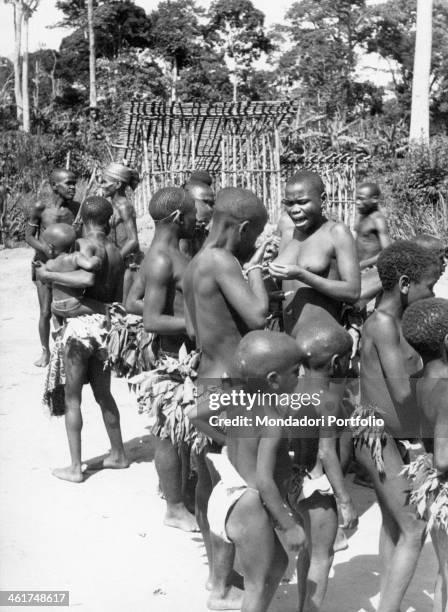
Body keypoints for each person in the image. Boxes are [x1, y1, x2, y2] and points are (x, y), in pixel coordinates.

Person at [184, 186, 269, 610]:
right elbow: (257, 315)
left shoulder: (197, 261)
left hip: (206, 377)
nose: (254, 243)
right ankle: (223, 585)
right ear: (246, 228)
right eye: (255, 236)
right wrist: (255, 269)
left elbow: (195, 329)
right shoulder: (223, 261)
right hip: (229, 387)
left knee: (210, 482)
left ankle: (216, 580)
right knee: (233, 488)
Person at [353, 240, 441, 612]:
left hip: (390, 437)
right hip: (378, 437)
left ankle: (387, 600)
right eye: (430, 285)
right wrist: (437, 368)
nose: (433, 291)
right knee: (413, 527)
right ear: (406, 283)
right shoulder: (385, 325)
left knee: (393, 524)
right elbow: (403, 395)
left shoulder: (395, 321)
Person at [204, 331, 306, 612]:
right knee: (256, 586)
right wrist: (289, 525)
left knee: (278, 565)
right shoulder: (272, 422)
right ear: (274, 380)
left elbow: (193, 415)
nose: (301, 378)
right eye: (296, 372)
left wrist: (226, 441)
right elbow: (263, 481)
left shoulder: (238, 398)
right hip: (248, 506)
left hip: (227, 495)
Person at [36, 196, 128, 483]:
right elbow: (117, 295)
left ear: (82, 220)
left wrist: (48, 274)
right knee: (104, 395)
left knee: (73, 399)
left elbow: (85, 281)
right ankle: (118, 454)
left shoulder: (83, 245)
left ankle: (76, 469)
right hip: (105, 328)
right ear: (110, 219)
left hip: (79, 328)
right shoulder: (116, 250)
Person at [128, 187, 199, 532]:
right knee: (169, 434)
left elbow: (133, 302)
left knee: (179, 433)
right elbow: (151, 319)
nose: (195, 218)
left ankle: (179, 495)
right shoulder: (162, 258)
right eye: (190, 214)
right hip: (172, 357)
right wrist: (196, 324)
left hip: (180, 353)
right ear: (176, 218)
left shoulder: (167, 253)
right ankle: (173, 508)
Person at [291, 322, 358, 612]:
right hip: (317, 489)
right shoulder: (328, 399)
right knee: (322, 556)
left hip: (292, 484)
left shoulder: (289, 390)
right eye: (348, 358)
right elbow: (327, 453)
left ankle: (301, 607)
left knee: (307, 548)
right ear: (336, 362)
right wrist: (345, 500)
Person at [269, 170, 360, 335]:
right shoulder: (289, 233)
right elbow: (283, 288)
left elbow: (353, 291)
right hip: (289, 342)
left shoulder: (336, 232)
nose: (294, 209)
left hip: (323, 345)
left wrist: (302, 275)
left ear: (323, 199)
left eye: (302, 202)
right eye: (289, 203)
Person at [402, 298, 448, 612]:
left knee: (445, 570)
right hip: (445, 485)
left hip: (433, 488)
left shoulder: (417, 378)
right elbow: (444, 458)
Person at [25, 169, 79, 367]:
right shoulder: (41, 208)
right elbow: (29, 236)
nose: (73, 187)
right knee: (46, 312)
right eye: (68, 183)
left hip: (66, 267)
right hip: (44, 266)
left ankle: (66, 351)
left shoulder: (76, 209)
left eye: (74, 183)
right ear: (55, 186)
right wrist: (44, 249)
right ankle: (45, 352)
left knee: (65, 309)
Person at [39, 223, 105, 319]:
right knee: (104, 309)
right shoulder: (75, 257)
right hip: (74, 305)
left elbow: (47, 282)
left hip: (56, 307)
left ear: (51, 248)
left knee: (56, 318)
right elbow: (89, 264)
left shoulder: (49, 263)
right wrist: (96, 259)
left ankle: (59, 331)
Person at [100, 162, 142, 303]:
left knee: (123, 307)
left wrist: (114, 260)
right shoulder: (111, 204)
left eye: (105, 182)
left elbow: (132, 240)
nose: (102, 185)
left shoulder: (124, 206)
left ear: (117, 184)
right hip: (118, 261)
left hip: (126, 264)